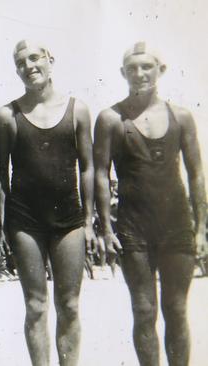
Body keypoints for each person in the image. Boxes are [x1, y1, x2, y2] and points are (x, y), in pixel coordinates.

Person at [94, 42, 206, 366]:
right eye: (132, 68)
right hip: (133, 226)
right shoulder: (111, 119)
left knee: (176, 309)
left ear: (161, 70)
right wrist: (105, 227)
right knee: (143, 310)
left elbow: (197, 174)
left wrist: (201, 229)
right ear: (122, 73)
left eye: (146, 67)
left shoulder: (181, 117)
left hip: (176, 224)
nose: (139, 73)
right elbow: (100, 174)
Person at [0, 40, 95, 366]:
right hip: (26, 219)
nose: (29, 65)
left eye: (35, 57)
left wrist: (90, 222)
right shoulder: (7, 115)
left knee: (69, 304)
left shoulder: (77, 110)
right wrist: (4, 223)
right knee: (36, 305)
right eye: (20, 62)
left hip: (69, 216)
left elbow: (88, 168)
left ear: (51, 59)